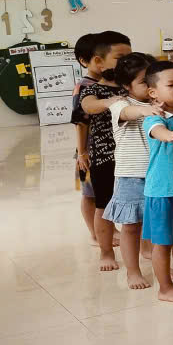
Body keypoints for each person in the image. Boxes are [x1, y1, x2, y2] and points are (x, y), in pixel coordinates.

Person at [75, 31, 131, 271]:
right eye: (120, 58)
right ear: (99, 62)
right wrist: (82, 152)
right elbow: (87, 109)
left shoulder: (130, 87)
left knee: (138, 203)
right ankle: (106, 251)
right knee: (102, 204)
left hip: (131, 156)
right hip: (103, 158)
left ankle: (144, 248)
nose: (126, 63)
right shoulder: (91, 89)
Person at [104, 52, 158, 290]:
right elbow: (128, 114)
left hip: (158, 174)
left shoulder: (160, 103)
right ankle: (133, 271)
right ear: (127, 85)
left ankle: (159, 265)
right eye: (144, 82)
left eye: (153, 80)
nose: (150, 86)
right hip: (131, 176)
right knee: (131, 226)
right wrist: (146, 110)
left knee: (158, 226)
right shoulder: (120, 104)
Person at [141, 61, 173, 303]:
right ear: (153, 93)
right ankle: (165, 288)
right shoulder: (154, 118)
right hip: (162, 191)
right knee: (162, 244)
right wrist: (169, 135)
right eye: (171, 85)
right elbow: (157, 131)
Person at [71, 34, 98, 245]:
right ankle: (95, 233)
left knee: (103, 193)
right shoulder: (84, 86)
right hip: (87, 151)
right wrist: (82, 153)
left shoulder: (107, 83)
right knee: (89, 194)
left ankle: (105, 229)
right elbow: (80, 123)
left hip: (104, 150)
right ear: (84, 61)